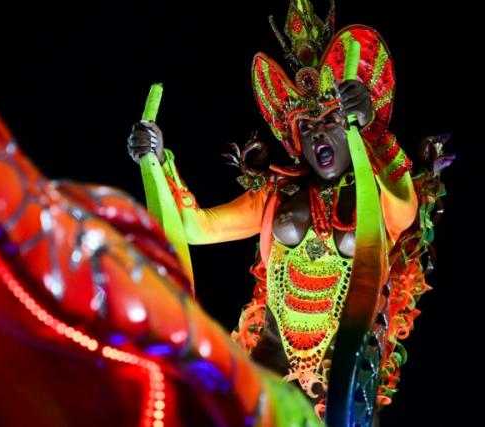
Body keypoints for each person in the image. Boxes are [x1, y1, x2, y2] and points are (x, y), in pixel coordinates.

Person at [127, 0, 441, 420]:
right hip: (266, 374)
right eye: (306, 129)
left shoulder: (378, 198)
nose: (317, 136)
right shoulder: (277, 194)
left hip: (338, 395)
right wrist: (158, 161)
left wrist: (371, 130)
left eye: (330, 121)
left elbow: (404, 208)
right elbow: (191, 227)